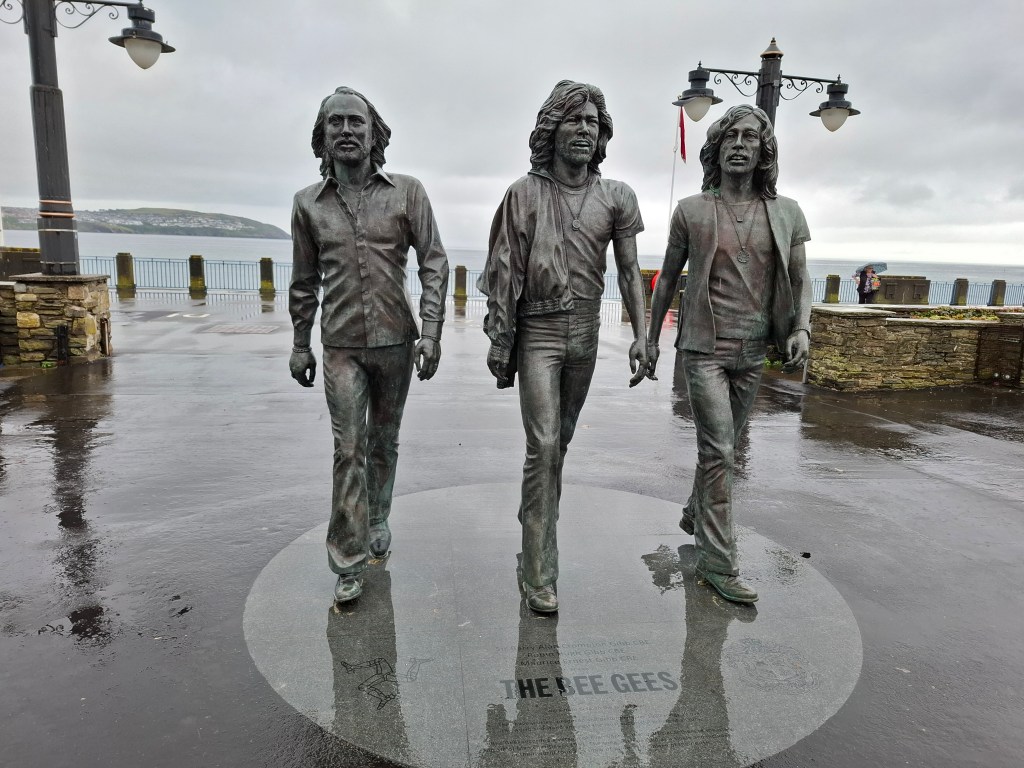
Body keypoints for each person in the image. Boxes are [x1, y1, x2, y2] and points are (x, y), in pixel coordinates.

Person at [478, 80, 649, 613]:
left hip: (586, 334)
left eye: (592, 123)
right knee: (544, 445)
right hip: (539, 334)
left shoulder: (616, 196)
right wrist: (500, 337)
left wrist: (644, 334)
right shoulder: (523, 194)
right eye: (573, 120)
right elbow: (503, 272)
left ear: (602, 136)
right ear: (551, 129)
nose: (583, 131)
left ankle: (535, 515)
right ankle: (539, 570)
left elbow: (628, 271)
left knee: (559, 448)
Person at [646, 104, 812, 604]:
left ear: (765, 151)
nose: (739, 143)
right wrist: (651, 341)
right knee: (719, 451)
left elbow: (802, 280)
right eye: (729, 136)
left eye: (750, 136)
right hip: (704, 350)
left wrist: (801, 326)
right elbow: (667, 280)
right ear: (715, 149)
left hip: (754, 352)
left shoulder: (787, 213)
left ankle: (698, 510)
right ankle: (721, 562)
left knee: (724, 448)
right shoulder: (692, 211)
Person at [289, 87, 449, 604]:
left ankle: (378, 513)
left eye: (356, 122)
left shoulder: (407, 192)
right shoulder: (307, 206)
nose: (346, 131)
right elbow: (303, 280)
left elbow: (434, 261)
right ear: (323, 136)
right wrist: (299, 343)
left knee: (384, 439)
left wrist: (431, 331)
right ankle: (348, 557)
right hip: (339, 346)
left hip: (396, 342)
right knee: (347, 448)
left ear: (374, 133)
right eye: (335, 123)